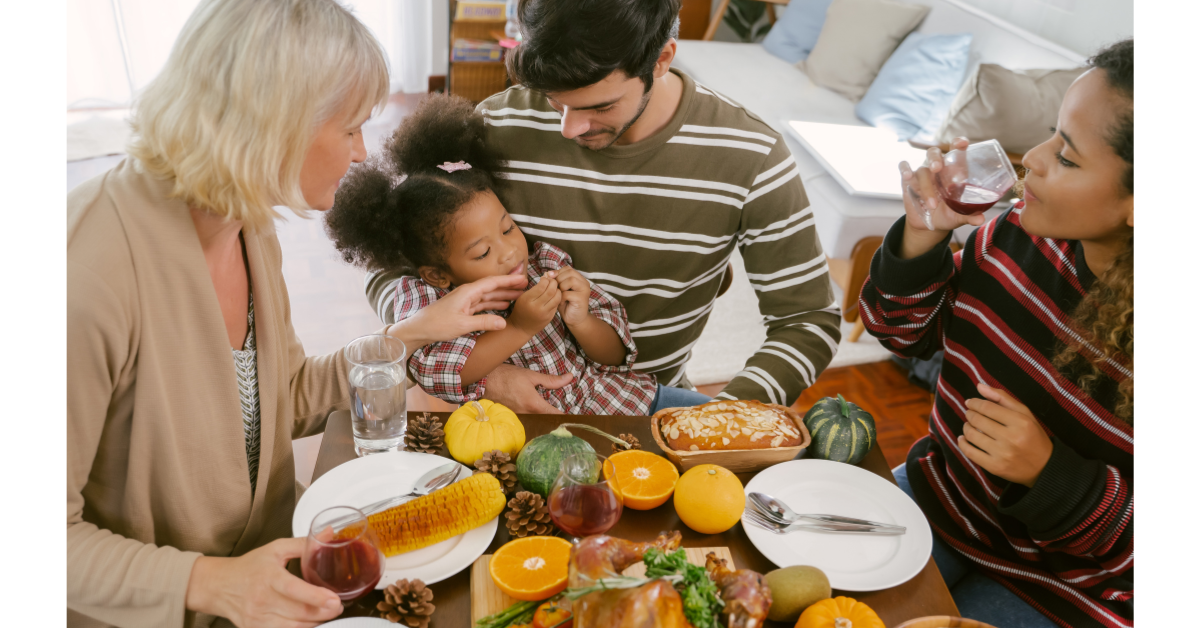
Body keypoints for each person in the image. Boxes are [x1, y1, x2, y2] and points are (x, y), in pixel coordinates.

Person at [67, 2, 526, 627]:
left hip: (279, 573)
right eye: (351, 129)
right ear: (275, 123)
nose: (362, 153)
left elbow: (284, 396)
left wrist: (412, 335)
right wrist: (210, 583)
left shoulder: (248, 225)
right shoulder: (85, 271)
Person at [365, 0, 841, 414]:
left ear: (661, 59)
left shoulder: (753, 157)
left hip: (646, 401)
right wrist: (489, 376)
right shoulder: (494, 124)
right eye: (555, 102)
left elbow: (807, 322)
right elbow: (393, 267)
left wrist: (723, 418)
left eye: (600, 106)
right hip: (505, 409)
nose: (569, 128)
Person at [860, 40, 1133, 628]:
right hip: (943, 502)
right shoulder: (1015, 234)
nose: (1032, 158)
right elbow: (899, 333)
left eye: (1068, 158)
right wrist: (922, 239)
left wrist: (1051, 476)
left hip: (1070, 587)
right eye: (1051, 135)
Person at [327, 94, 707, 415]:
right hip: (532, 432)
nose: (510, 251)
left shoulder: (547, 265)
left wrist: (582, 319)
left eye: (508, 228)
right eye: (483, 252)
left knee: (722, 420)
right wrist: (519, 328)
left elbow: (615, 356)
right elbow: (437, 371)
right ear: (438, 274)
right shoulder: (429, 300)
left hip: (621, 400)